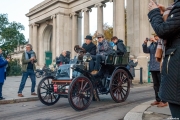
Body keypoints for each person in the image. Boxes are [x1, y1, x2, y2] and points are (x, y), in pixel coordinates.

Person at [148, 0, 180, 118]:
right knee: (157, 84)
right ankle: (159, 99)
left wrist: (154, 13)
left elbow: (163, 31)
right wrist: (165, 14)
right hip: (161, 64)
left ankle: (161, 100)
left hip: (174, 65)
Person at [142, 34, 167, 107]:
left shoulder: (160, 43)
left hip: (159, 66)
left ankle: (164, 100)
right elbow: (146, 50)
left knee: (161, 84)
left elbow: (160, 48)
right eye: (154, 36)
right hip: (153, 67)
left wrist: (156, 42)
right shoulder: (152, 45)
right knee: (155, 85)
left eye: (156, 36)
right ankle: (158, 99)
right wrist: (145, 43)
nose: (154, 37)